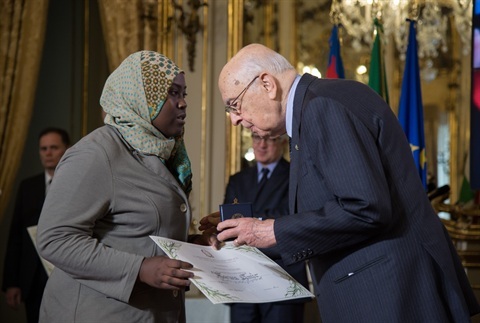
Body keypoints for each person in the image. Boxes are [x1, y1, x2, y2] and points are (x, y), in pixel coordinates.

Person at [201, 43, 480, 322]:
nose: (235, 120)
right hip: (386, 291)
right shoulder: (318, 105)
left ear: (267, 84)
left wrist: (270, 231)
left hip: (390, 296)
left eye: (234, 105)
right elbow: (335, 208)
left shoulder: (320, 108)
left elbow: (366, 208)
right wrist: (251, 228)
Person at [36, 51, 212, 323]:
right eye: (173, 93)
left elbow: (141, 235)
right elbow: (55, 239)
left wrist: (195, 246)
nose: (183, 103)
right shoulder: (96, 154)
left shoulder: (165, 153)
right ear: (143, 97)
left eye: (184, 94)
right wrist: (139, 268)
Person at [224, 133, 309, 323]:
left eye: (269, 139)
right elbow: (227, 223)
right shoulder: (237, 180)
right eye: (256, 138)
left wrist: (251, 220)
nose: (262, 145)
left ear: (281, 142)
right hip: (243, 280)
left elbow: (296, 216)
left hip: (283, 278)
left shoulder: (296, 175)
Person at [2, 127, 70, 323]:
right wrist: (12, 283)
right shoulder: (28, 187)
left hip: (66, 272)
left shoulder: (77, 184)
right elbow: (16, 236)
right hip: (32, 278)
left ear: (67, 148)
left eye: (54, 147)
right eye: (43, 148)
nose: (48, 153)